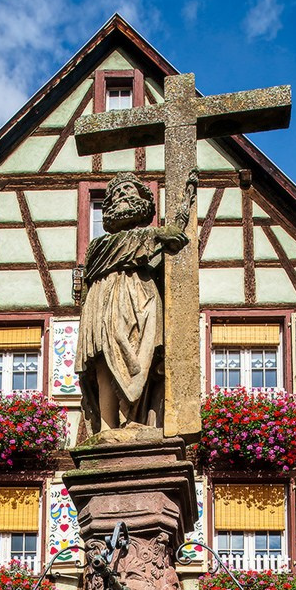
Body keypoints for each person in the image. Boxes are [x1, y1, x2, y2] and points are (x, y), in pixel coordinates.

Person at [76, 172, 188, 433]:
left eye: (128, 189)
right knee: (102, 359)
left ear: (142, 199)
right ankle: (106, 427)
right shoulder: (99, 245)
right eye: (115, 193)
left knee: (144, 360)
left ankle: (137, 423)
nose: (122, 194)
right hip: (104, 302)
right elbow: (119, 250)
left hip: (142, 300)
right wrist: (161, 235)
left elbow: (169, 247)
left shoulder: (150, 241)